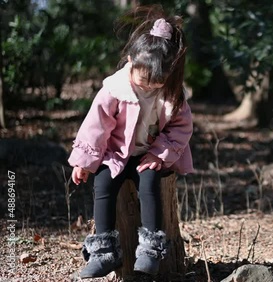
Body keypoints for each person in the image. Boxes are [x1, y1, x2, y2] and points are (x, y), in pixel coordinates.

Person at [68, 5, 193, 279]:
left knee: (149, 185)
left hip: (149, 153)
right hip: (115, 154)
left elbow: (181, 129)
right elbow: (95, 126)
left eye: (156, 83)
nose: (148, 86)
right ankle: (103, 252)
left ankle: (150, 250)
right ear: (130, 60)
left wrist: (159, 155)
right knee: (103, 184)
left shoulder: (172, 95)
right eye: (143, 80)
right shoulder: (114, 89)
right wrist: (84, 163)